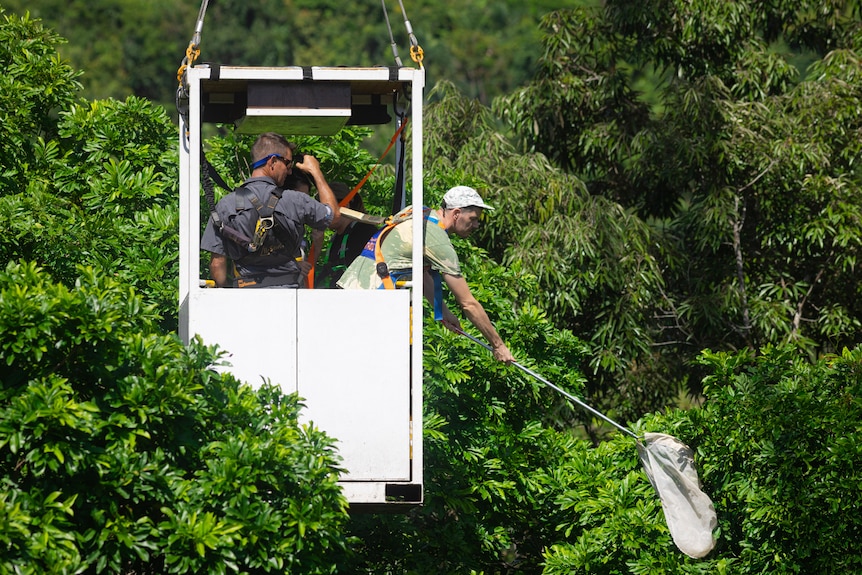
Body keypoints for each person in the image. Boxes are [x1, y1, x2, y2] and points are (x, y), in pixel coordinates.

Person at [337, 185, 515, 363]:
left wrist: (443, 311)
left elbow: (421, 274)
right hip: (368, 302)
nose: (476, 225)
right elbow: (468, 303)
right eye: (473, 218)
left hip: (351, 291)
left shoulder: (420, 213)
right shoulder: (435, 237)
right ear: (457, 213)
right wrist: (498, 345)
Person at [201, 132, 340, 288]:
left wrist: (229, 291)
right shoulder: (294, 200)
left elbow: (217, 265)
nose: (289, 171)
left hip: (246, 296)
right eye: (287, 163)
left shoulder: (226, 205)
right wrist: (316, 172)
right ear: (273, 161)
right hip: (289, 297)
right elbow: (334, 216)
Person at [316, 182, 379, 288]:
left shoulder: (365, 232)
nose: (321, 215)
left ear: (344, 205)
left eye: (325, 209)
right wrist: (316, 248)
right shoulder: (335, 238)